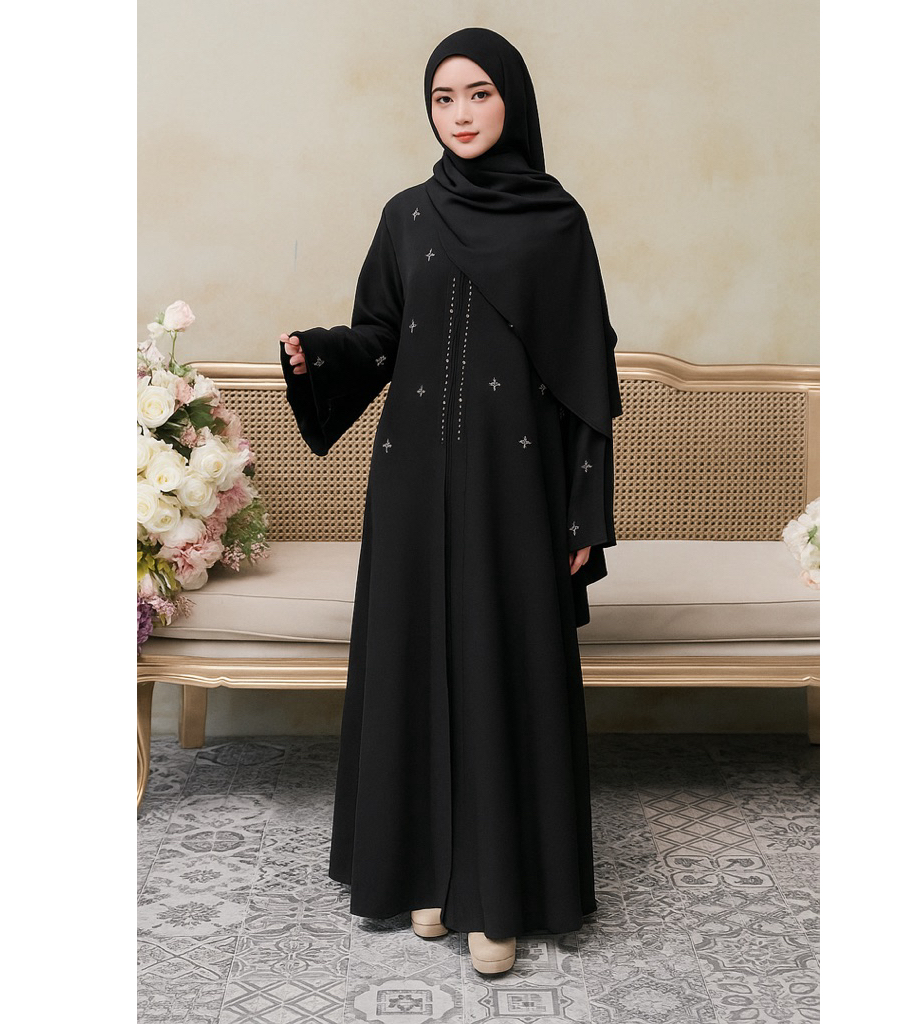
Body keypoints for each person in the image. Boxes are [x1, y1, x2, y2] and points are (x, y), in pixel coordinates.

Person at [279, 27, 622, 976]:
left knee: (500, 664)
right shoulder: (407, 215)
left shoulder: (558, 223)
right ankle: (424, 872)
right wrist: (321, 353)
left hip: (516, 487)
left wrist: (584, 514)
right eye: (443, 98)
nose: (460, 114)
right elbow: (379, 336)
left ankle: (496, 897)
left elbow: (587, 379)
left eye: (478, 94)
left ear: (512, 99)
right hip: (414, 479)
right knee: (415, 659)